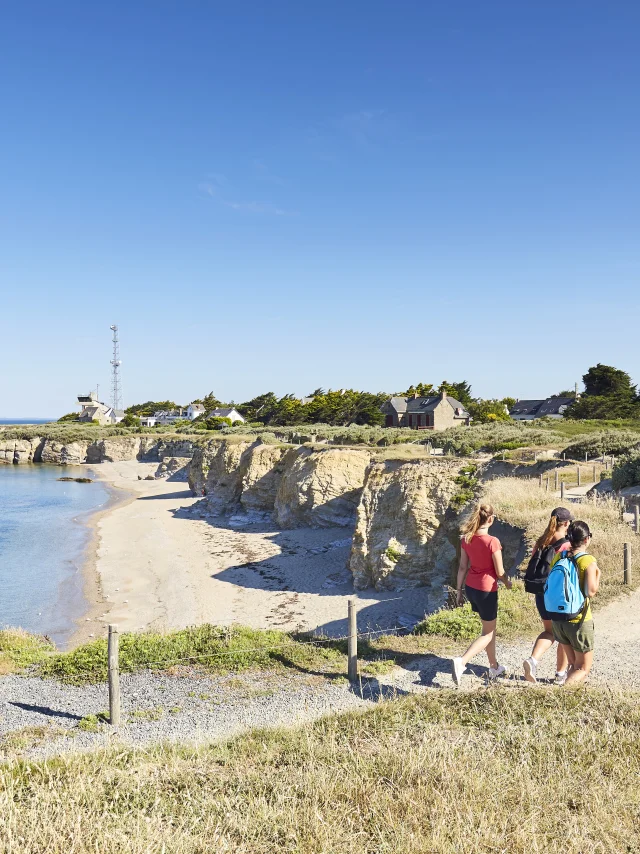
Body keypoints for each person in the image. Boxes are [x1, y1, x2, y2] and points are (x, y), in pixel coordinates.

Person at [451, 503, 512, 687]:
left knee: (488, 629)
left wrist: (459, 591)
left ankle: (494, 667)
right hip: (486, 590)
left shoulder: (466, 539)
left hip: (471, 587)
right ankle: (462, 662)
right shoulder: (493, 541)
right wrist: (508, 583)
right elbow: (500, 572)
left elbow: (462, 567)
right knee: (488, 633)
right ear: (491, 519)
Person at [522, 507, 573, 685]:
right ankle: (560, 675)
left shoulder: (541, 541)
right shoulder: (566, 545)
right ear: (565, 523)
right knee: (564, 635)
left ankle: (533, 660)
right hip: (557, 595)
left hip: (540, 593)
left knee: (550, 631)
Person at [549, 520, 600, 687]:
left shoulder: (560, 556)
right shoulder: (587, 560)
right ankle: (562, 695)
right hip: (579, 620)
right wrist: (598, 574)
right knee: (583, 668)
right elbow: (591, 591)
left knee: (573, 664)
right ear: (586, 539)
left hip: (558, 618)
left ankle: (568, 696)